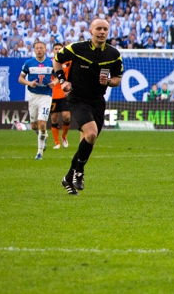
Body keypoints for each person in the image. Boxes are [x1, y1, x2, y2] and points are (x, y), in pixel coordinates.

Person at [55, 19, 123, 195]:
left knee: (88, 143)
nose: (102, 32)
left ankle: (68, 177)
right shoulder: (77, 48)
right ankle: (79, 172)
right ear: (91, 31)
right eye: (98, 28)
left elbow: (117, 79)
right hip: (78, 99)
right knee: (91, 134)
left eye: (105, 29)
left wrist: (108, 81)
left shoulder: (113, 54)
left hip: (98, 101)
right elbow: (56, 60)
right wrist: (62, 81)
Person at [19, 41, 55, 160]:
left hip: (46, 96)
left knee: (42, 123)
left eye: (41, 48)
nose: (39, 50)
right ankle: (43, 135)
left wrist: (53, 83)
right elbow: (20, 78)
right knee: (34, 126)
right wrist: (29, 83)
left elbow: (60, 78)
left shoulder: (51, 63)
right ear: (34, 50)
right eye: (37, 48)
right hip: (33, 96)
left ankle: (39, 151)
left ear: (45, 49)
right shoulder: (29, 63)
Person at [49, 42, 72, 149]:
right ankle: (56, 142)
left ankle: (63, 136)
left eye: (59, 49)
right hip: (53, 94)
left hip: (64, 94)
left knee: (66, 117)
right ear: (53, 50)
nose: (57, 50)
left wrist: (69, 87)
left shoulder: (68, 62)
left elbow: (72, 76)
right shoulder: (49, 63)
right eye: (55, 49)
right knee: (54, 118)